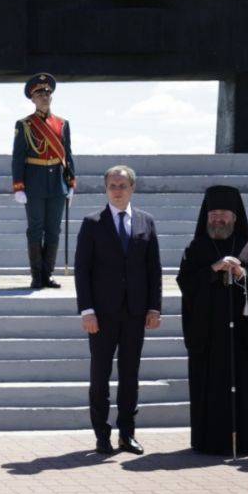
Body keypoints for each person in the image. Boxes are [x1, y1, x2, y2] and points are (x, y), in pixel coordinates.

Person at [74, 166, 162, 455]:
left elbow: (154, 269)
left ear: (132, 188)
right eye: (112, 185)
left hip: (135, 313)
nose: (117, 190)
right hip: (102, 314)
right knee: (100, 376)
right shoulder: (92, 223)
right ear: (106, 189)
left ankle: (127, 433)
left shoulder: (145, 222)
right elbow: (82, 270)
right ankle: (102, 434)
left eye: (122, 185)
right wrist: (87, 310)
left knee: (130, 376)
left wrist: (154, 307)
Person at [177, 186, 248, 456]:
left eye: (224, 214)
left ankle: (246, 442)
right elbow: (186, 283)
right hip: (207, 334)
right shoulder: (196, 248)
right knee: (210, 389)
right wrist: (213, 269)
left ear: (235, 217)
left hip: (240, 334)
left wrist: (242, 273)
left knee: (243, 388)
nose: (218, 219)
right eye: (213, 214)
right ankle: (208, 442)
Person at [12, 72, 75, 289]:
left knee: (54, 229)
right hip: (35, 182)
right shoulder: (25, 125)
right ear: (32, 98)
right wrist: (18, 186)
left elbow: (68, 155)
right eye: (39, 94)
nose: (44, 97)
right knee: (35, 229)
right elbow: (18, 157)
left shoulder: (62, 124)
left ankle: (48, 274)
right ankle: (36, 276)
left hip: (57, 183)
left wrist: (71, 182)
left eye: (47, 93)